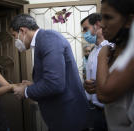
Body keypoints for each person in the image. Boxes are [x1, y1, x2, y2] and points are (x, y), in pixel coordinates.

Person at [9, 14, 88, 131]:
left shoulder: (48, 38)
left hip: (68, 117)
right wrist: (34, 85)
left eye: (14, 36)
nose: (15, 41)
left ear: (22, 31)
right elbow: (52, 78)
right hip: (61, 117)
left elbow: (54, 83)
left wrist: (25, 91)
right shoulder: (42, 41)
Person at [96, 0, 134, 130]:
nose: (101, 24)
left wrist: (101, 55)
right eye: (102, 17)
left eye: (108, 17)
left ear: (129, 20)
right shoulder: (119, 49)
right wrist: (95, 85)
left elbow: (103, 95)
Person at [81, 13, 109, 131]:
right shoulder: (93, 52)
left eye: (86, 29)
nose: (84, 33)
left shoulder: (111, 49)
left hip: (107, 109)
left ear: (97, 26)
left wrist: (100, 85)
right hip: (93, 107)